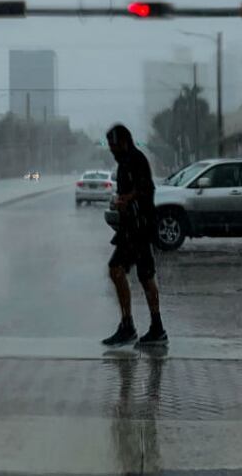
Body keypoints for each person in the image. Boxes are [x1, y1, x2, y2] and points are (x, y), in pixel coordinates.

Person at [102, 123, 168, 347]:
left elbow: (147, 189)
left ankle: (130, 325)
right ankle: (153, 327)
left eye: (113, 145)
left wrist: (127, 199)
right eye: (109, 146)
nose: (111, 149)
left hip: (139, 228)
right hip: (132, 228)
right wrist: (122, 203)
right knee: (144, 275)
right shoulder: (123, 164)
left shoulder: (136, 160)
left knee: (118, 269)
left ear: (123, 142)